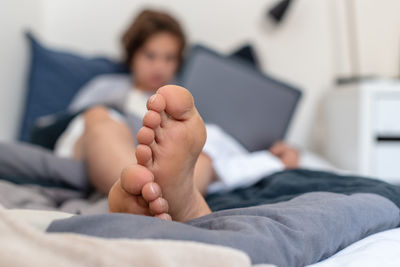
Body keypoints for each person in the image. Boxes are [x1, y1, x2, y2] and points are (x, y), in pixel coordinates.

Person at [55, 9, 300, 201]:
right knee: (98, 116)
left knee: (204, 152)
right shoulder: (106, 88)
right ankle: (140, 192)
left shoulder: (186, 99)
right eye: (150, 56)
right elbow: (66, 129)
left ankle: (171, 198)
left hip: (168, 165)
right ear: (132, 55)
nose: (159, 67)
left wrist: (273, 160)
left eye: (169, 58)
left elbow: (222, 152)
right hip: (107, 149)